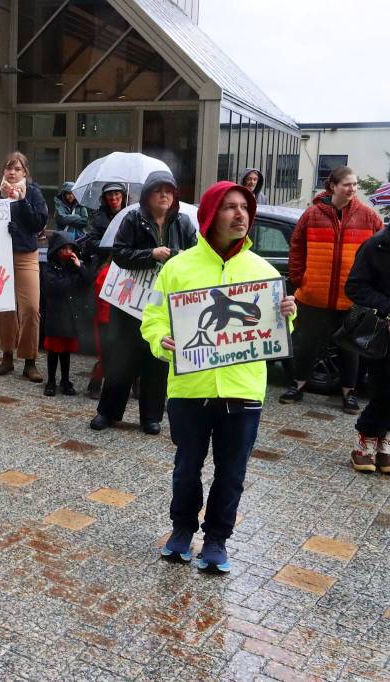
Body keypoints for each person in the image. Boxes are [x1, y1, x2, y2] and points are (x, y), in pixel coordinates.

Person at [143, 181, 296, 572]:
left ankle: (216, 540)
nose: (240, 214)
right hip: (189, 389)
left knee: (232, 474)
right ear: (211, 215)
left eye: (245, 207)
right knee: (186, 467)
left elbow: (275, 336)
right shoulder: (177, 268)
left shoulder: (262, 272)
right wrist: (162, 340)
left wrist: (287, 318)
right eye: (230, 207)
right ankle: (181, 530)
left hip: (242, 391)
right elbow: (154, 318)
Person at [91, 170, 197, 434]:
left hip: (163, 306)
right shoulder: (133, 219)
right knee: (121, 360)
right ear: (148, 195)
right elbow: (120, 254)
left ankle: (151, 416)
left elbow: (196, 259)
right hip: (129, 305)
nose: (164, 195)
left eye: (169, 191)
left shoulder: (183, 223)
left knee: (157, 362)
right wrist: (151, 254)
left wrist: (180, 256)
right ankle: (107, 412)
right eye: (158, 190)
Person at [279, 166, 382, 414]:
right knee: (306, 344)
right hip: (314, 295)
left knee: (350, 347)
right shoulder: (312, 215)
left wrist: (372, 283)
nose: (353, 189)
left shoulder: (368, 216)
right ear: (332, 186)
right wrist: (299, 279)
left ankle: (349, 393)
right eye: (347, 184)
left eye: (355, 184)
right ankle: (298, 386)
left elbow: (380, 250)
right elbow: (297, 248)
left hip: (351, 299)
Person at [0, 152, 49, 382]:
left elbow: (38, 223)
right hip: (1, 256)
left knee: (31, 307)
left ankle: (30, 359)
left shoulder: (32, 193)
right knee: (4, 309)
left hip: (26, 255)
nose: (12, 172)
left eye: (18, 168)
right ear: (3, 170)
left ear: (25, 172)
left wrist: (22, 204)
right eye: (9, 168)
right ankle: (7, 354)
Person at [344, 228, 390, 473]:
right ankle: (367, 436)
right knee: (385, 388)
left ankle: (383, 439)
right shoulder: (375, 246)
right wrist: (387, 307)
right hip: (382, 333)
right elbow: (355, 287)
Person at [83, 183, 127, 398]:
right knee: (106, 332)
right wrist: (109, 243)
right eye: (110, 195)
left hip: (127, 275)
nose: (113, 198)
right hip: (105, 272)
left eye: (117, 194)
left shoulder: (132, 215)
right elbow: (88, 243)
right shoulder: (98, 219)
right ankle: (98, 378)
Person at [41, 231, 91, 397]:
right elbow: (54, 287)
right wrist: (73, 280)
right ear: (56, 250)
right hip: (56, 316)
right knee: (54, 352)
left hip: (70, 316)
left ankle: (65, 380)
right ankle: (51, 381)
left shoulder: (73, 267)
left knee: (66, 352)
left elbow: (88, 281)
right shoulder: (48, 268)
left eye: (71, 248)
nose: (68, 251)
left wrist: (80, 267)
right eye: (64, 248)